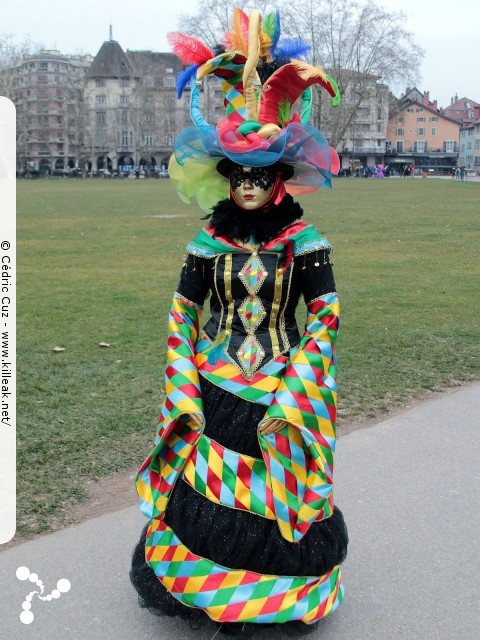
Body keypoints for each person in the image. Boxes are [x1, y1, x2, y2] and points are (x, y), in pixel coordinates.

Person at [130, 8, 348, 637]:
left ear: (279, 178)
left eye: (260, 175)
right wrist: (184, 372)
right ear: (226, 178)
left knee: (275, 487)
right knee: (208, 487)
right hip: (218, 381)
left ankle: (272, 599)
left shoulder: (305, 241)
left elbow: (326, 311)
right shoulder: (207, 243)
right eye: (239, 175)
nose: (249, 185)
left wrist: (299, 379)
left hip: (280, 387)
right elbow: (183, 309)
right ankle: (210, 591)